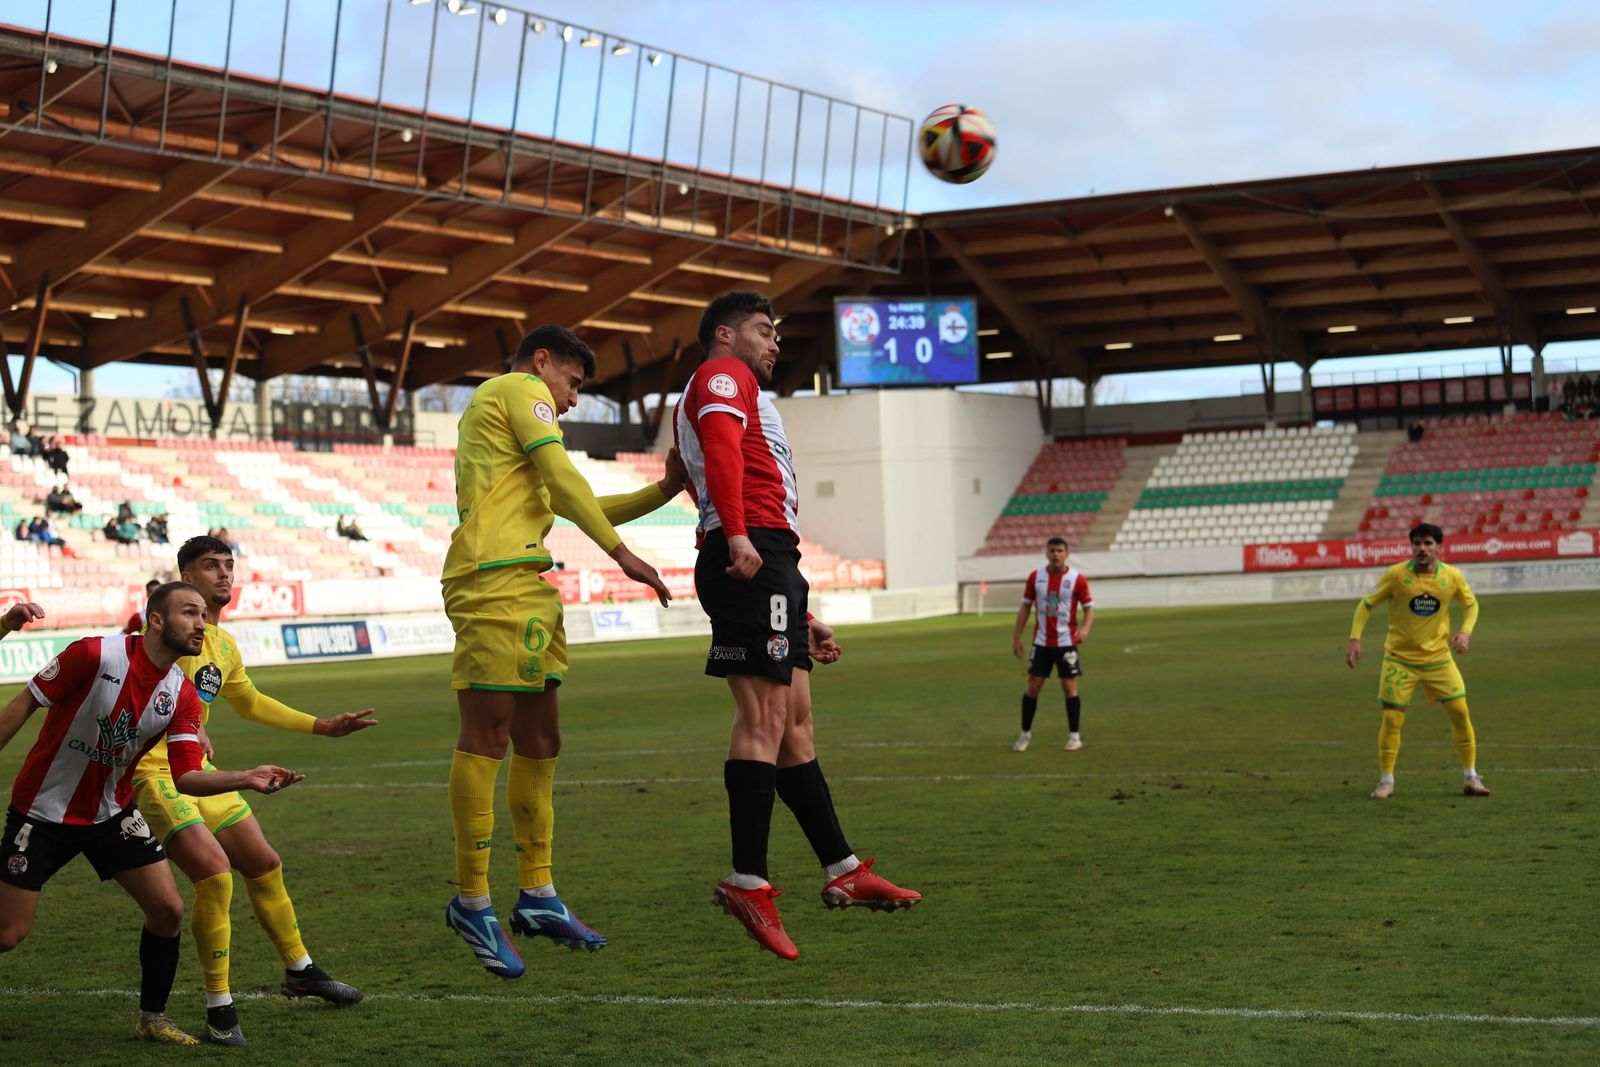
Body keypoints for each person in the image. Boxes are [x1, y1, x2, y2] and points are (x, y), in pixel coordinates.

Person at [675, 290, 921, 962]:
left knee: (795, 720)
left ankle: (842, 867)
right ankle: (746, 881)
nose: (774, 341)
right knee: (763, 717)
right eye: (763, 329)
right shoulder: (723, 375)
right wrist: (735, 534)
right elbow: (721, 454)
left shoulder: (745, 388)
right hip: (748, 553)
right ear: (724, 332)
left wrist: (799, 607)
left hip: (773, 560)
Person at [441, 324, 678, 978]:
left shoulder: (517, 439)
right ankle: (471, 899)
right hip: (491, 580)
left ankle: (538, 894)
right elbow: (566, 479)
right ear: (543, 362)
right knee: (486, 737)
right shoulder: (518, 389)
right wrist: (623, 556)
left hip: (528, 585)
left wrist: (665, 489)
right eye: (573, 382)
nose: (572, 400)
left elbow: (576, 498)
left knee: (541, 740)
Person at [0, 585, 303, 1047]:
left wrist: (247, 777)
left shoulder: (180, 695)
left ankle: (151, 1019)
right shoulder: (94, 654)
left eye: (204, 614)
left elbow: (185, 777)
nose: (202, 623)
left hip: (112, 813)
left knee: (168, 909)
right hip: (42, 812)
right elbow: (24, 704)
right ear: (156, 620)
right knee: (8, 933)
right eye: (189, 613)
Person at [131, 536, 374, 1046]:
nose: (223, 575)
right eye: (210, 566)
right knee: (216, 879)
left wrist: (322, 726)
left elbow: (251, 700)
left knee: (264, 862)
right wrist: (180, 722)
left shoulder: (222, 645)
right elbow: (131, 683)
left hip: (200, 770)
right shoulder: (158, 636)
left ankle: (300, 970)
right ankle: (219, 1006)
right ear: (184, 577)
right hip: (153, 775)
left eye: (228, 566)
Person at [1346, 522, 1490, 800]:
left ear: (1439, 547)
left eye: (1427, 544)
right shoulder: (1397, 575)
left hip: (1438, 659)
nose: (1422, 549)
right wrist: (1355, 639)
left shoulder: (1452, 576)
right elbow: (1366, 604)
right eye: (1417, 544)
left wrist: (1465, 632)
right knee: (1391, 719)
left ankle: (1471, 777)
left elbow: (1471, 604)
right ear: (1411, 546)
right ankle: (1386, 781)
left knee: (1460, 712)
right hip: (1400, 660)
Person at [1011, 536, 1095, 752]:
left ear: (1066, 554)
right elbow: (1025, 608)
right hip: (1041, 642)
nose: (1055, 554)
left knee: (1069, 686)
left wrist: (1085, 629)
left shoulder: (1077, 579)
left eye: (1059, 550)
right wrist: (1017, 637)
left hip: (1066, 642)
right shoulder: (1035, 577)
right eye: (1052, 550)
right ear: (1046, 553)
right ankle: (1024, 734)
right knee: (1033, 687)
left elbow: (1088, 608)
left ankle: (1074, 737)